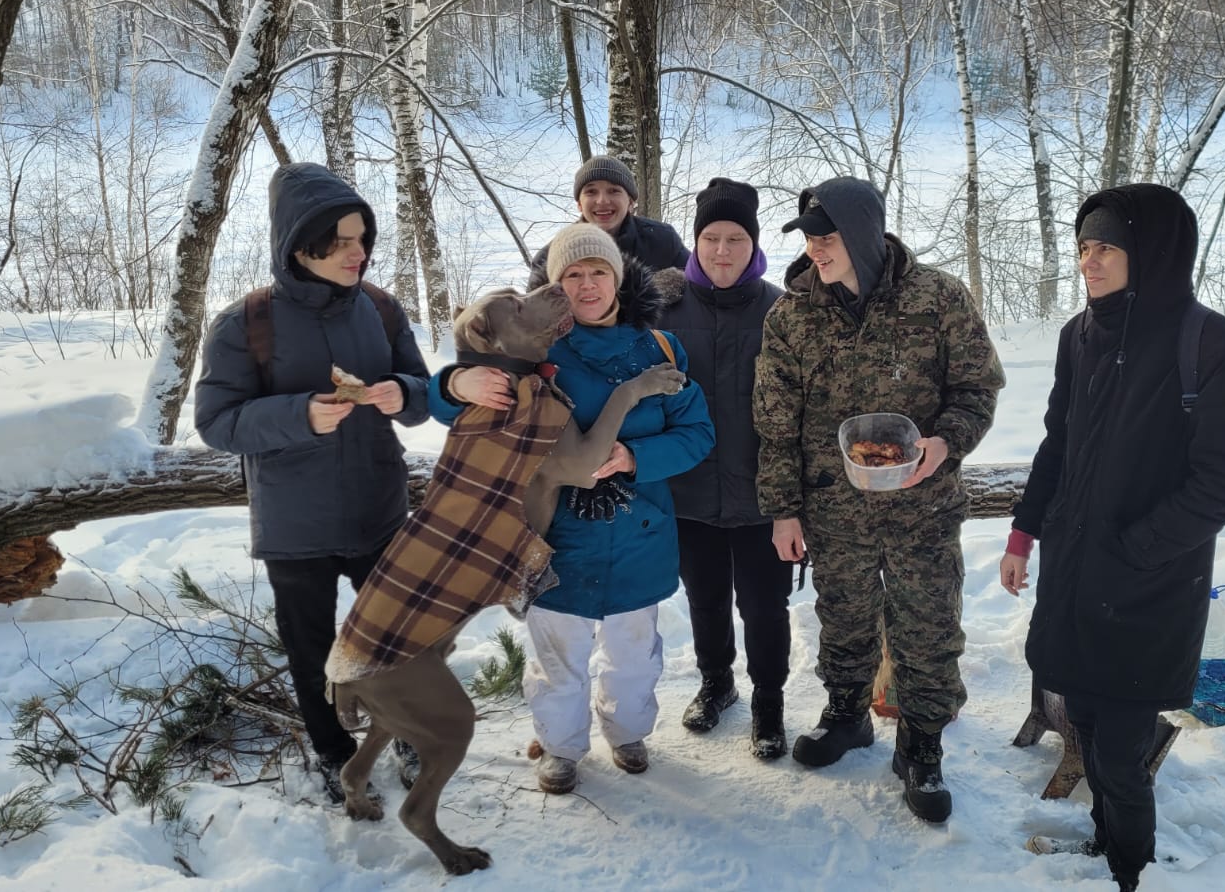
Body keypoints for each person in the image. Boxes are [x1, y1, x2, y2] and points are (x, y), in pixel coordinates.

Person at [999, 183, 1225, 891]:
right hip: (1075, 575)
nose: (1088, 261)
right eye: (1084, 246)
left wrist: (1139, 548)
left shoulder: (1206, 342)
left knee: (1119, 753)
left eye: (1107, 248)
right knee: (1085, 723)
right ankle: (1104, 845)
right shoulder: (1079, 334)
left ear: (1149, 254)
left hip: (1151, 586)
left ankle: (1129, 870)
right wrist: (1024, 532)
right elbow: (1058, 444)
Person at [430, 224, 714, 795]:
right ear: (556, 286)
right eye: (573, 275)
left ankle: (627, 733)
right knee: (558, 657)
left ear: (618, 278)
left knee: (635, 655)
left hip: (640, 531)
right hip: (556, 538)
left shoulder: (660, 349)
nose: (587, 285)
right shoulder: (534, 348)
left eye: (598, 272)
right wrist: (456, 384)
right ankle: (560, 747)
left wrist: (635, 457)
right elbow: (449, 408)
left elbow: (697, 433)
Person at [753, 176, 1004, 822]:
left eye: (827, 237)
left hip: (923, 505)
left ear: (864, 235)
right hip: (835, 508)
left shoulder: (937, 298)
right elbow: (776, 425)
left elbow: (977, 388)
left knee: (928, 623)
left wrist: (946, 443)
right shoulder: (792, 317)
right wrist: (783, 510)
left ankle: (921, 743)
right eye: (809, 238)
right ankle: (847, 713)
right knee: (843, 616)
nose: (815, 249)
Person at [195, 162, 430, 803]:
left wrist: (402, 393)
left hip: (379, 508)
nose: (359, 253)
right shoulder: (245, 323)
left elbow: (422, 392)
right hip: (295, 524)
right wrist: (299, 415)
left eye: (363, 239)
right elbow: (216, 422)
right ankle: (334, 753)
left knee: (399, 634)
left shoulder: (381, 309)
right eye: (342, 242)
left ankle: (409, 732)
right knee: (311, 647)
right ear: (301, 247)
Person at [657, 178, 793, 759]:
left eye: (735, 238)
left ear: (753, 244)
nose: (721, 250)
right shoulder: (662, 310)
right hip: (688, 491)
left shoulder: (782, 310)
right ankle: (717, 683)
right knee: (705, 599)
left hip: (763, 493)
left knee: (765, 606)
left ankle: (769, 701)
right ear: (695, 241)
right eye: (710, 237)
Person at [526, 155, 689, 290]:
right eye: (591, 192)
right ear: (579, 204)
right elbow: (534, 315)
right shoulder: (549, 258)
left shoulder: (662, 240)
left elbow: (697, 287)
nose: (602, 200)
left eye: (614, 191)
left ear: (630, 202)